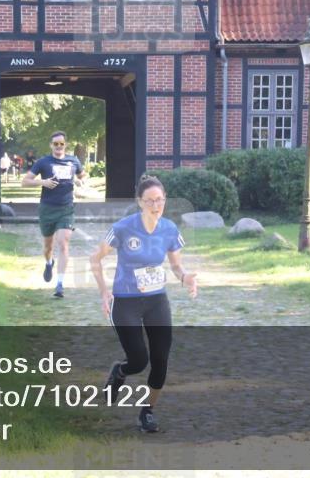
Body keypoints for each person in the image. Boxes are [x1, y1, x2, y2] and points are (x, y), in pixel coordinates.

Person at [89, 176, 198, 433]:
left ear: (165, 201)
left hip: (156, 300)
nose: (155, 205)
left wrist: (185, 277)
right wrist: (104, 292)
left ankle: (147, 412)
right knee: (138, 360)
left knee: (160, 360)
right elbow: (95, 259)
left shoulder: (170, 229)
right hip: (125, 302)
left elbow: (174, 264)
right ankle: (120, 371)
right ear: (140, 202)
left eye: (159, 200)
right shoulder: (123, 228)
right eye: (150, 200)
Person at [21, 131, 86, 298]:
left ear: (65, 145)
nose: (58, 147)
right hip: (47, 208)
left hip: (66, 209)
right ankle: (49, 263)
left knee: (63, 243)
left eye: (61, 144)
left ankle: (60, 284)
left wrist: (80, 182)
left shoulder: (73, 161)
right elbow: (25, 182)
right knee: (48, 246)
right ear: (51, 145)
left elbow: (82, 176)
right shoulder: (44, 162)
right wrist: (43, 182)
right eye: (55, 144)